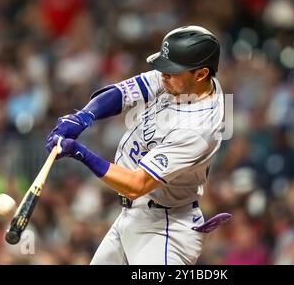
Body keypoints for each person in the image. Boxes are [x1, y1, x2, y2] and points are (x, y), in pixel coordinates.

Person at [45, 25, 231, 265]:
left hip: (165, 230)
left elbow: (136, 184)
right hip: (134, 216)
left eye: (171, 70)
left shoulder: (198, 128)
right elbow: (123, 92)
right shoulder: (183, 81)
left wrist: (80, 152)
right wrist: (83, 117)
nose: (162, 74)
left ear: (201, 73)